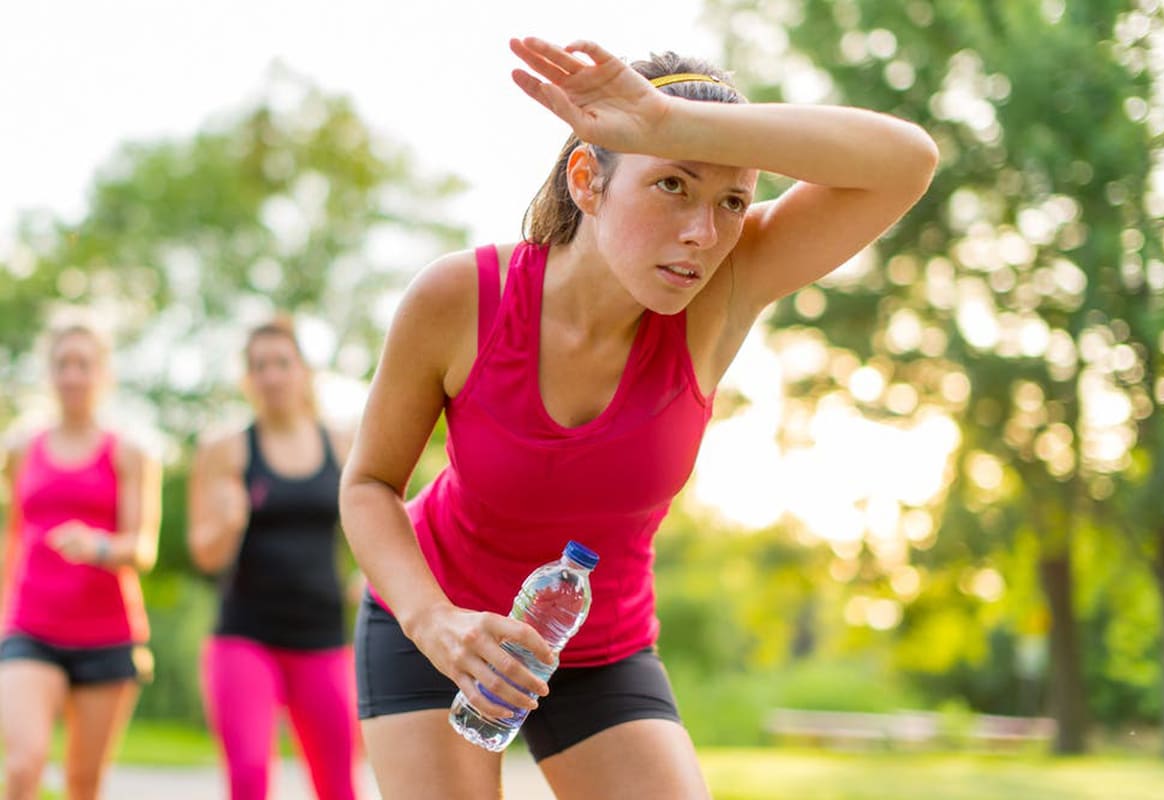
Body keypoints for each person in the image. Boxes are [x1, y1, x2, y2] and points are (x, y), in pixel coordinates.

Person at [341, 36, 938, 799]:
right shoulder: (460, 299)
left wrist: (670, 125)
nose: (704, 233)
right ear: (588, 179)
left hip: (601, 648)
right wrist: (435, 621)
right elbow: (368, 485)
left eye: (732, 201)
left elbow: (907, 161)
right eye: (672, 187)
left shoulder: (728, 285)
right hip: (437, 625)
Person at [187, 318, 359, 800]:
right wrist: (227, 524)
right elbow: (205, 555)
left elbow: (379, 525)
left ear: (304, 372)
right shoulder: (226, 449)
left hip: (322, 636)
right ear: (248, 379)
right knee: (248, 778)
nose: (272, 375)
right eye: (259, 366)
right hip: (246, 637)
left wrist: (368, 575)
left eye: (282, 363)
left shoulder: (343, 444)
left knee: (340, 785)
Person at [0, 322, 160, 800]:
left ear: (103, 374)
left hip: (107, 636)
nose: (72, 375)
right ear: (50, 374)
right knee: (24, 763)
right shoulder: (21, 449)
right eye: (62, 364)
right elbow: (12, 539)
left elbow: (143, 548)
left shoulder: (129, 452)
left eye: (82, 364)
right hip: (30, 628)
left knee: (83, 785)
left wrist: (100, 546)